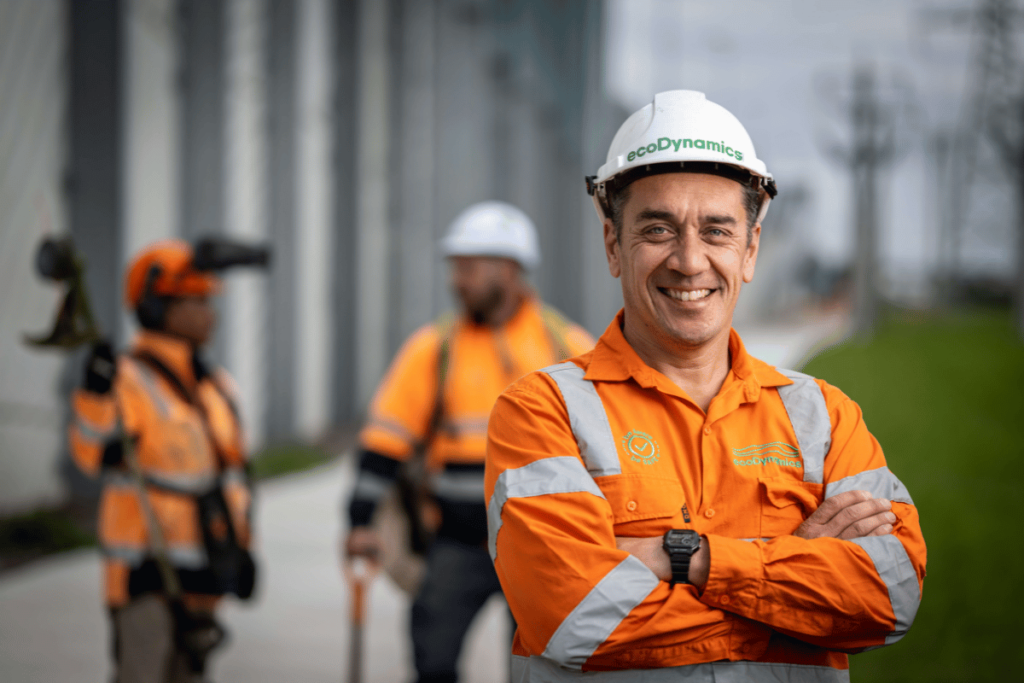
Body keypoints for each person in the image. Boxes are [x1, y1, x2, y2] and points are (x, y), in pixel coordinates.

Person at [484, 90, 927, 682]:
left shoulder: (826, 417)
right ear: (614, 246)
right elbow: (575, 615)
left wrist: (688, 560)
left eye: (717, 231)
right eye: (658, 228)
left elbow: (890, 594)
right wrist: (797, 591)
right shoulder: (542, 412)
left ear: (750, 250)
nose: (690, 262)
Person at [344, 201, 596, 683]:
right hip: (455, 544)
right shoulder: (435, 349)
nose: (457, 280)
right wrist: (359, 521)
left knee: (536, 670)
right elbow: (385, 440)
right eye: (455, 268)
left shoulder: (566, 347)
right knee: (432, 662)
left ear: (508, 269)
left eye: (469, 268)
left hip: (542, 548)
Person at [70, 239, 256, 683]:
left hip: (203, 576)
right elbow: (92, 452)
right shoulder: (128, 379)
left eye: (209, 300)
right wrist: (96, 396)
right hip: (146, 576)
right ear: (158, 307)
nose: (210, 313)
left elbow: (234, 476)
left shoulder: (216, 387)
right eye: (196, 301)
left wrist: (241, 553)